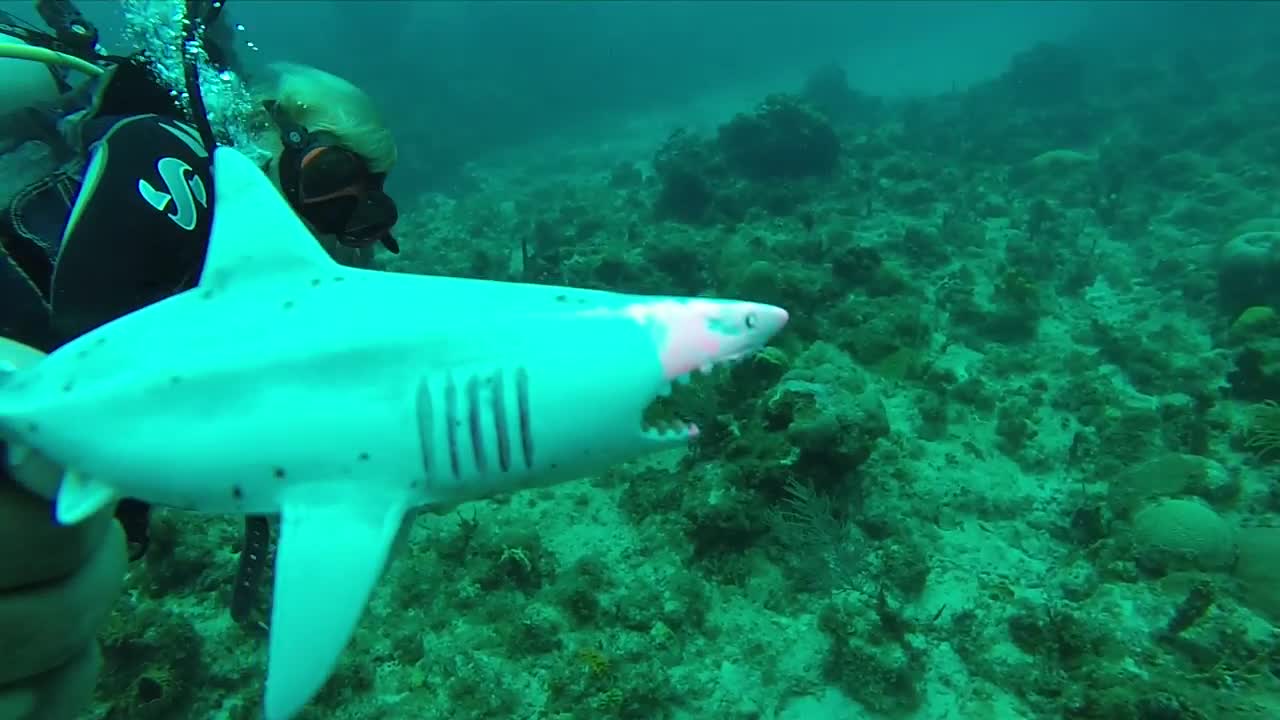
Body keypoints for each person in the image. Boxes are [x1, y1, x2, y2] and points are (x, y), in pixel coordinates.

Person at [0, 2, 402, 717]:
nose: (339, 207)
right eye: (330, 171)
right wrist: (115, 490)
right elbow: (87, 330)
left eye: (361, 198)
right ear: (270, 131)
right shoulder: (173, 157)